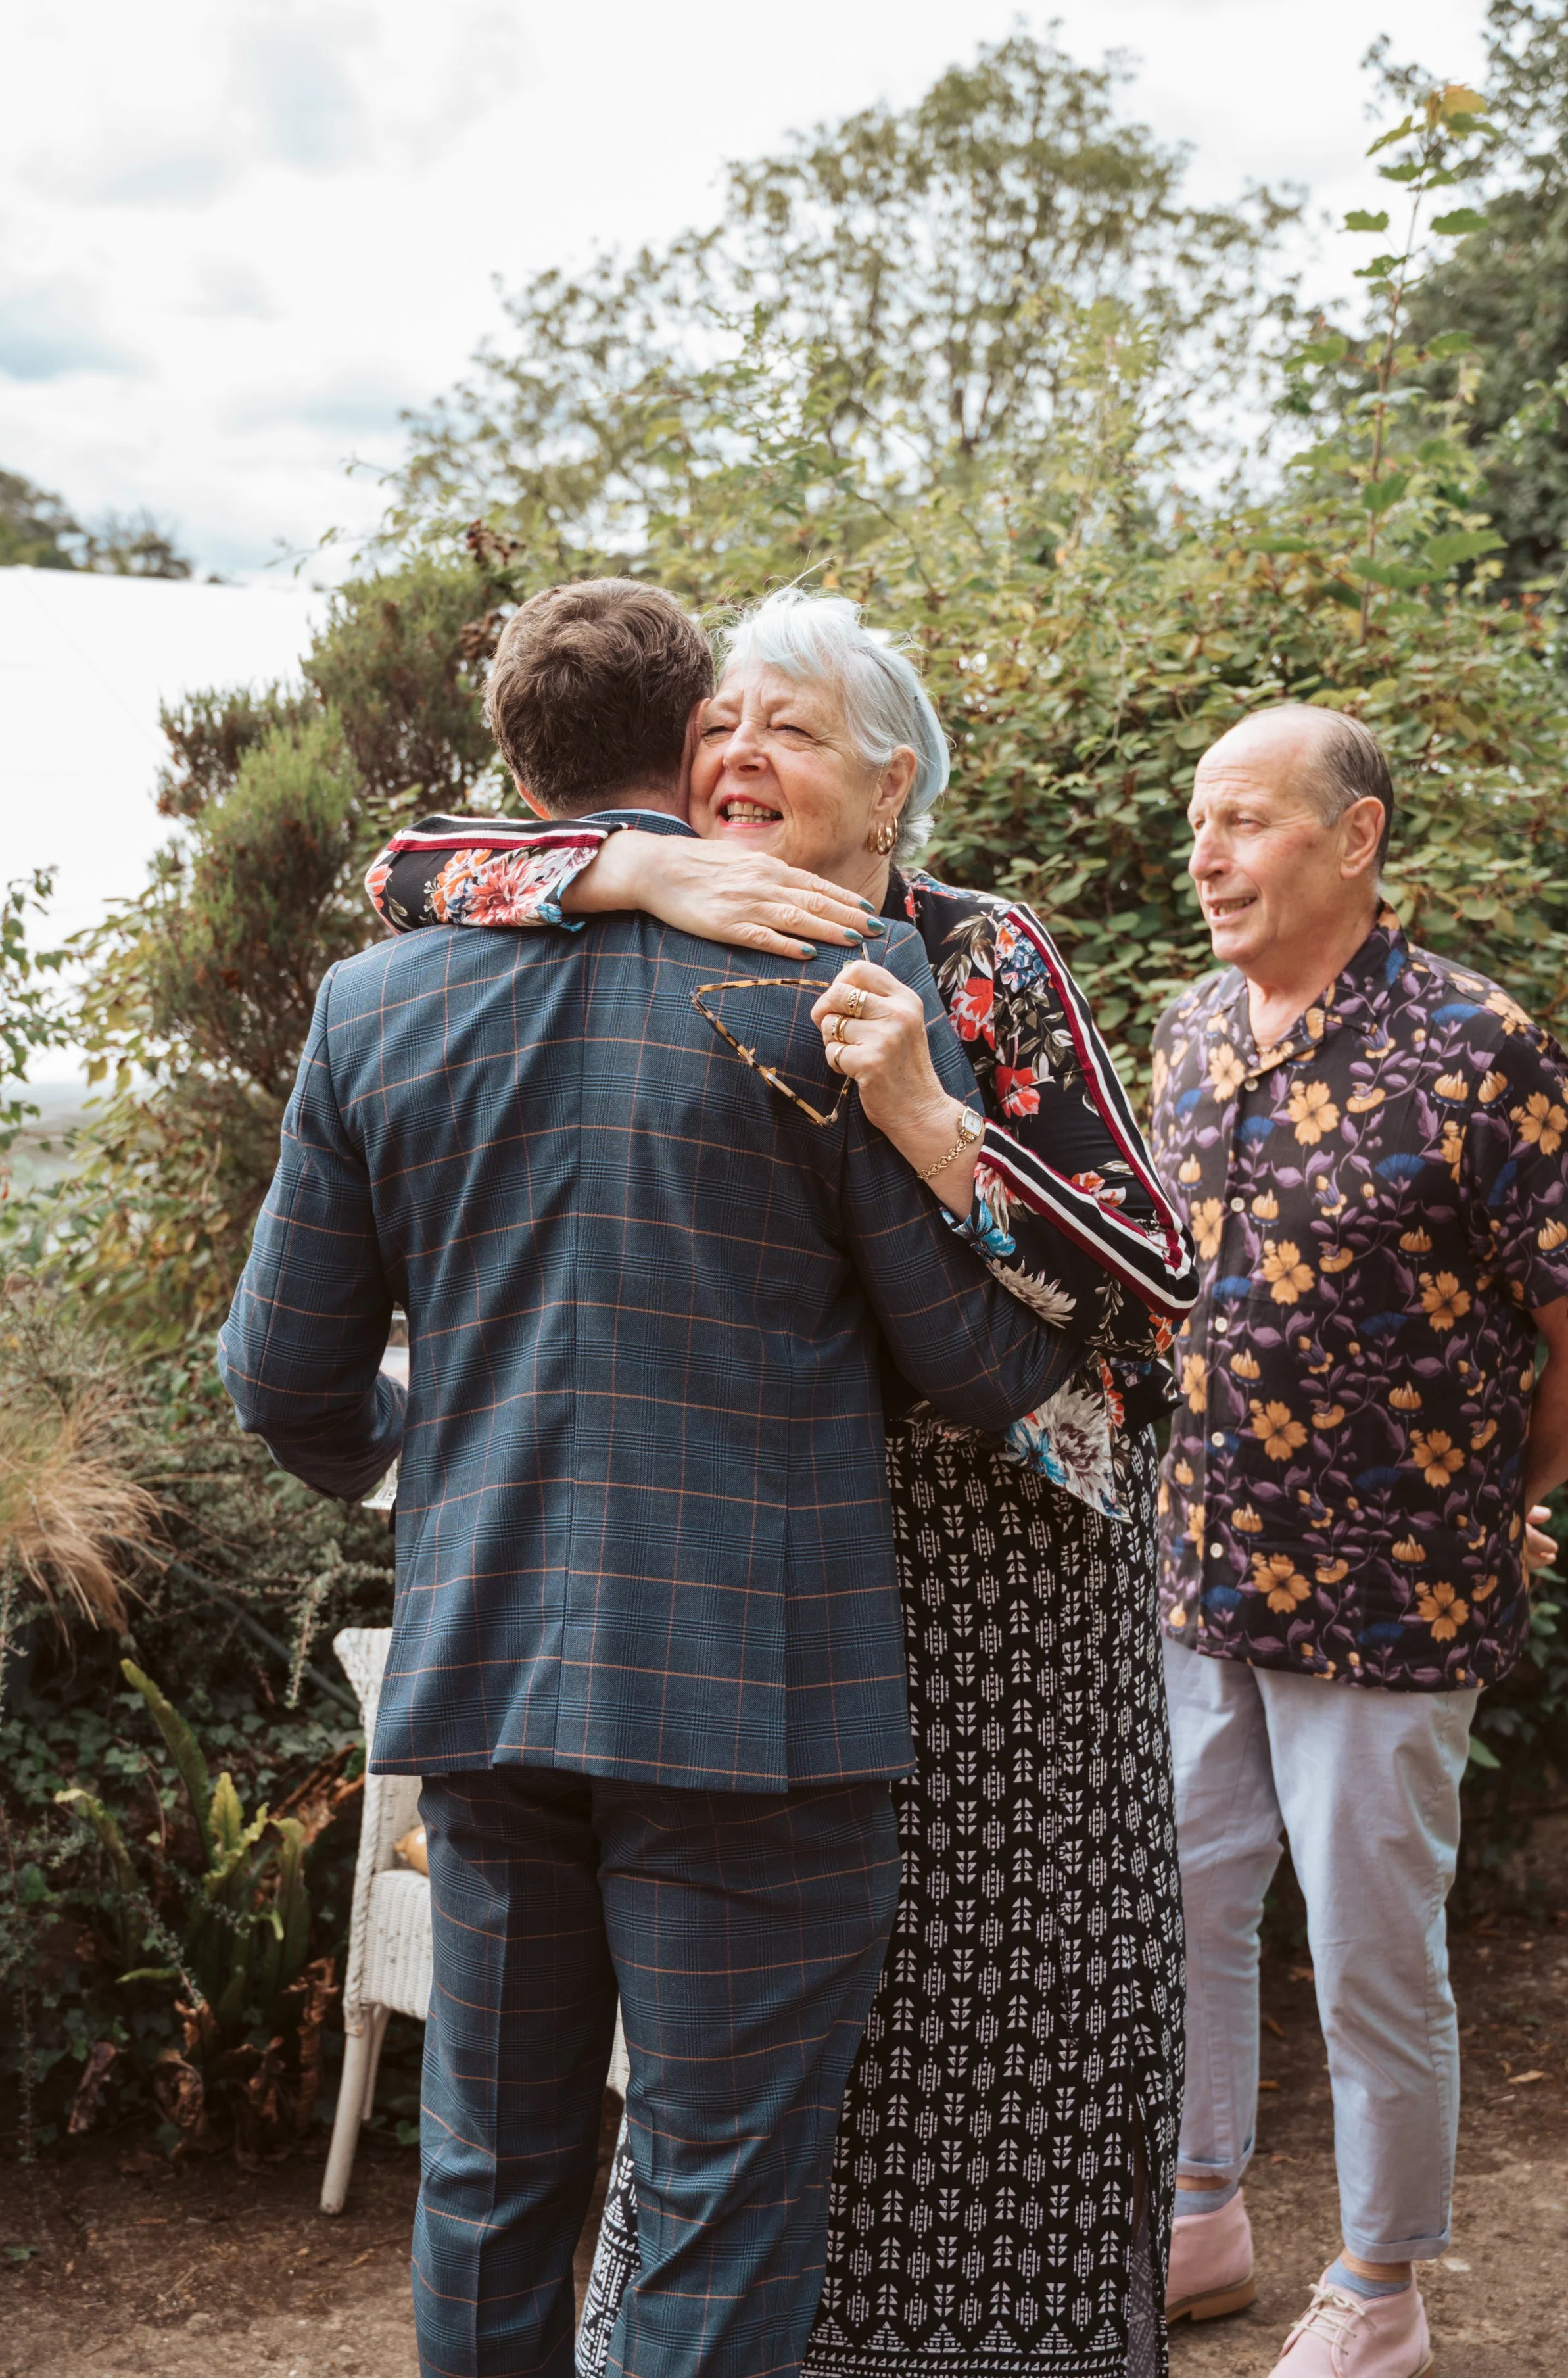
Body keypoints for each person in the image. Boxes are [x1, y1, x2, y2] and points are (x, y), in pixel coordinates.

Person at [219, 580, 1089, 2378]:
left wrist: (434, 1478)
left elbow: (277, 1374)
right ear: (697, 735)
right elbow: (981, 1359)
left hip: (487, 1672)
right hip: (758, 1703)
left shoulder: (375, 999)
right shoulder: (820, 972)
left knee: (485, 2166)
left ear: (506, 755)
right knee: (719, 2183)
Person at [1149, 702, 1568, 2378]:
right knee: (1191, 1906)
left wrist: (1492, 1500)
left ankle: (1378, 2289)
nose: (1204, 855)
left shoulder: (1476, 1047)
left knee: (1368, 1952)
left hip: (1393, 1600)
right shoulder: (1188, 1034)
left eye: (1246, 821)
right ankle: (1198, 2211)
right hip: (1198, 1573)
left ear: (1353, 838)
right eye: (1195, 822)